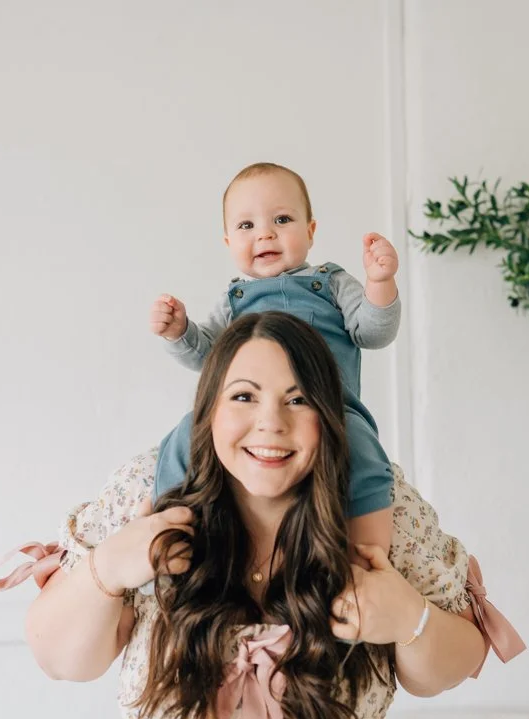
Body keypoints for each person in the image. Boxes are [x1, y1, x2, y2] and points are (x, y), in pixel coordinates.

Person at [1, 312, 525, 719]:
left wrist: (410, 617)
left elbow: (447, 670)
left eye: (298, 400)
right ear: (209, 411)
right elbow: (61, 661)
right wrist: (109, 567)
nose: (270, 423)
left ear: (329, 416)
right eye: (244, 396)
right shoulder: (149, 488)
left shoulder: (379, 506)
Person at [149, 162, 399, 562]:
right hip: (250, 414)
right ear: (228, 241)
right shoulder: (233, 301)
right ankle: (168, 523)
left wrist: (379, 285)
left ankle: (366, 549)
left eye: (282, 219)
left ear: (311, 231)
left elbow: (372, 332)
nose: (265, 233)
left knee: (357, 443)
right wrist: (179, 332)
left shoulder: (331, 284)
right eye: (247, 225)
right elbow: (208, 357)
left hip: (327, 407)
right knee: (190, 427)